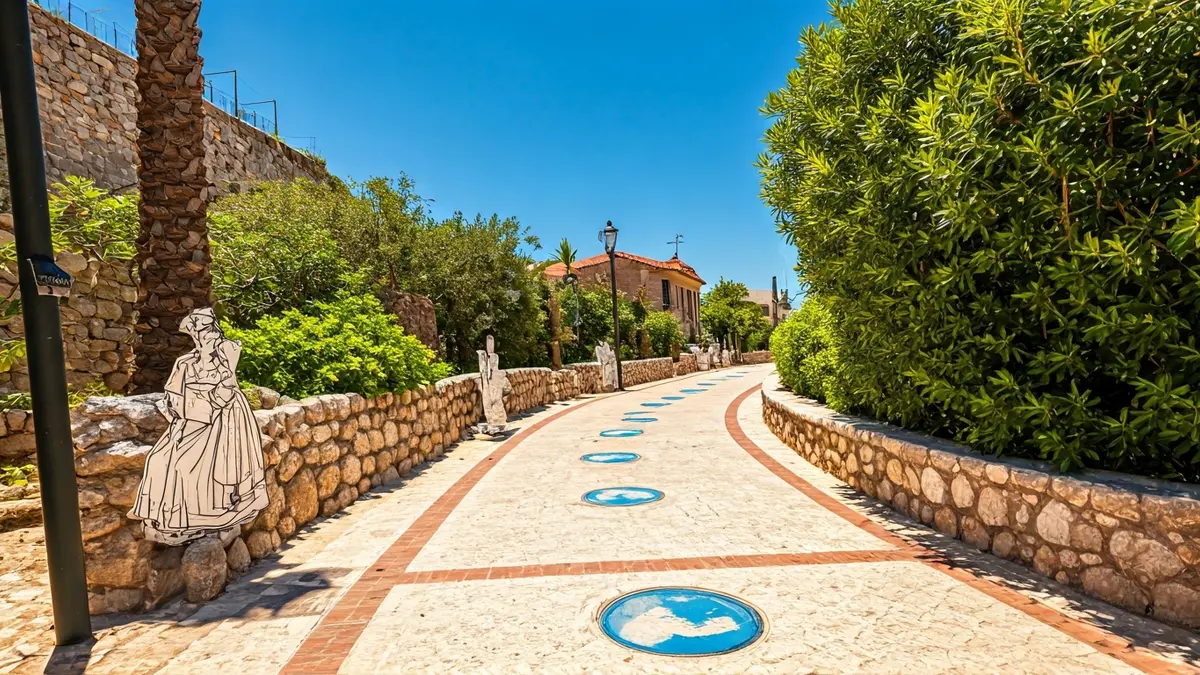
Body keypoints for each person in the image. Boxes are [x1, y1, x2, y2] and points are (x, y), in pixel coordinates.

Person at [129, 307, 269, 545]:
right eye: (198, 331)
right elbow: (173, 396)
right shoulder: (185, 363)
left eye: (207, 329)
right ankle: (168, 518)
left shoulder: (227, 353)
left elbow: (227, 388)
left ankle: (205, 516)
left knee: (193, 464)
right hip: (191, 416)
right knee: (158, 459)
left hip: (222, 416)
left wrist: (208, 406)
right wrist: (184, 412)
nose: (204, 335)